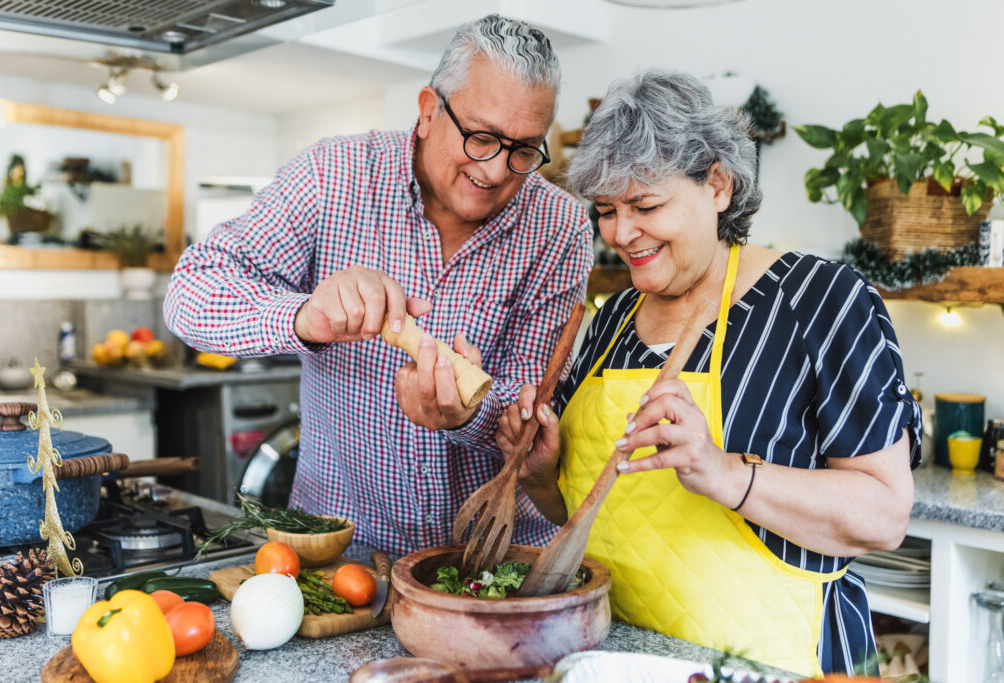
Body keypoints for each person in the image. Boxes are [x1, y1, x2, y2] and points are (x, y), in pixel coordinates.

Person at [498, 70, 920, 678]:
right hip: (615, 659)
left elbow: (885, 514)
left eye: (646, 205)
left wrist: (725, 473)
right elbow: (598, 516)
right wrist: (540, 477)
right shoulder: (612, 320)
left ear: (717, 184)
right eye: (607, 211)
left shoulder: (820, 300)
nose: (621, 233)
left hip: (772, 662)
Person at [164, 15, 593, 556]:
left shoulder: (558, 226)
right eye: (481, 138)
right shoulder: (333, 174)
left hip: (492, 557)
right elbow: (191, 293)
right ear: (429, 111)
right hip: (340, 552)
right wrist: (306, 318)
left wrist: (470, 415)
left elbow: (530, 405)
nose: (496, 170)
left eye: (524, 150)